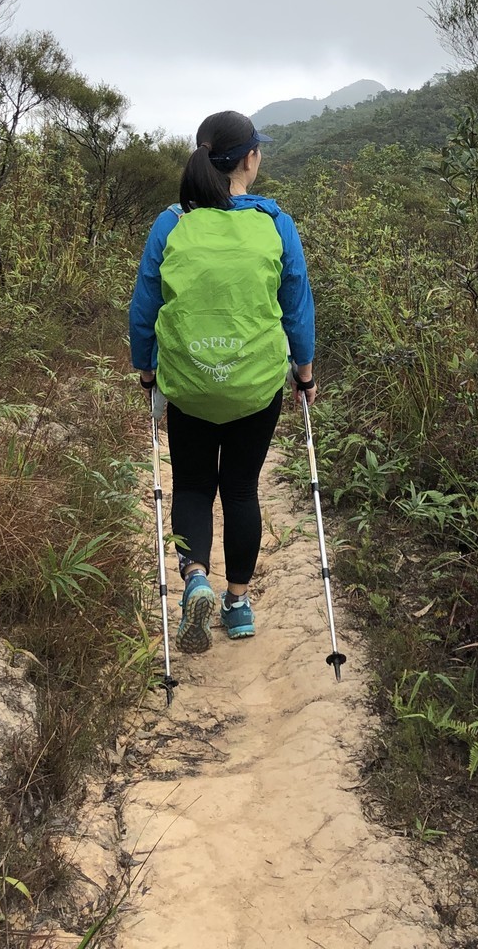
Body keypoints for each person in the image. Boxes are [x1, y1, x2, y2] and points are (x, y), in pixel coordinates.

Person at [129, 110, 316, 652]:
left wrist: (148, 372)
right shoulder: (275, 222)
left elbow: (145, 307)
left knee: (191, 485)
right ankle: (236, 604)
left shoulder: (171, 222)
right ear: (250, 158)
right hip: (255, 386)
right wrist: (304, 373)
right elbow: (296, 305)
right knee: (239, 488)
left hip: (188, 383)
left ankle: (195, 581)